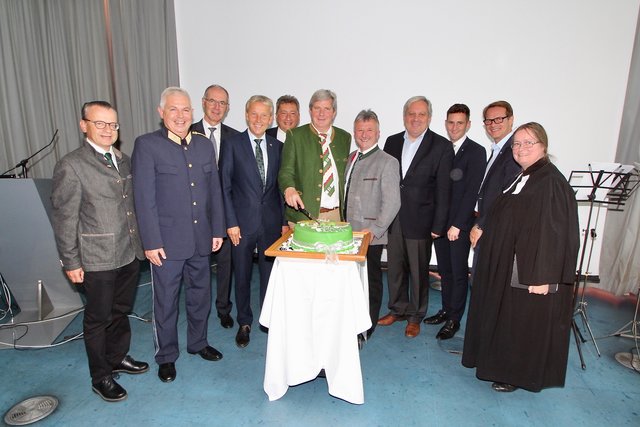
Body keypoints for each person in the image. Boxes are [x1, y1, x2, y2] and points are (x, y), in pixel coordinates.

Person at [462, 122, 579, 393]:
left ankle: (515, 375)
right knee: (506, 320)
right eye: (517, 143)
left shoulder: (550, 182)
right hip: (508, 265)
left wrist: (544, 278)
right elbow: (507, 213)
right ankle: (497, 364)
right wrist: (483, 227)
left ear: (544, 146)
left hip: (527, 272)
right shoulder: (524, 176)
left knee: (520, 324)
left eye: (528, 142)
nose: (520, 148)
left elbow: (556, 234)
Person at [51, 101, 148, 402]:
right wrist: (71, 260)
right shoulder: (72, 165)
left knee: (120, 311)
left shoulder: (125, 160)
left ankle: (118, 357)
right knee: (98, 318)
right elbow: (65, 217)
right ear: (84, 125)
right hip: (96, 257)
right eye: (100, 123)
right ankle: (100, 376)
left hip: (129, 252)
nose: (108, 130)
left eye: (113, 124)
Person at [132, 87, 225, 383]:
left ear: (193, 113)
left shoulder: (202, 145)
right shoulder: (147, 146)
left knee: (200, 295)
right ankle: (166, 356)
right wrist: (151, 241)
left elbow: (214, 192)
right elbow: (143, 199)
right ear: (161, 113)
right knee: (166, 302)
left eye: (185, 110)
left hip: (200, 238)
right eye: (173, 109)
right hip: (166, 244)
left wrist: (217, 229)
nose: (180, 115)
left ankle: (198, 343)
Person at [377, 96, 453, 338]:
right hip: (393, 217)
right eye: (411, 114)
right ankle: (397, 309)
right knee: (395, 267)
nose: (416, 118)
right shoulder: (391, 142)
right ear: (404, 116)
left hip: (422, 220)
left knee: (419, 271)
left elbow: (444, 188)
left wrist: (438, 224)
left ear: (429, 118)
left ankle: (415, 316)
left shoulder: (441, 146)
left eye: (421, 114)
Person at [219, 95, 287, 348]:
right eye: (254, 114)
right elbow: (224, 186)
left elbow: (279, 189)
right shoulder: (232, 144)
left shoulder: (276, 147)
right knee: (243, 274)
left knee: (270, 274)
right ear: (247, 115)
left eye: (264, 115)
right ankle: (244, 322)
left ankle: (268, 319)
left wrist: (282, 222)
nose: (259, 120)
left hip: (270, 223)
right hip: (241, 225)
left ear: (271, 119)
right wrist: (230, 222)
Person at [425, 104, 486, 340]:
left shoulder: (476, 151)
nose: (454, 127)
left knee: (459, 272)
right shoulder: (441, 148)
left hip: (458, 225)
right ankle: (445, 310)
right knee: (445, 271)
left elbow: (471, 191)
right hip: (439, 223)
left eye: (460, 123)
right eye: (451, 122)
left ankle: (454, 319)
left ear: (468, 125)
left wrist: (458, 225)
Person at [343, 109, 400, 343]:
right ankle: (351, 319)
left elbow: (393, 202)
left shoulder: (387, 162)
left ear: (378, 133)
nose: (364, 134)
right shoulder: (350, 158)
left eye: (369, 130)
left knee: (371, 282)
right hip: (347, 233)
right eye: (360, 130)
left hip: (370, 236)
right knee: (352, 281)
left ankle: (366, 326)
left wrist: (375, 230)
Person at [191, 84, 239, 330]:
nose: (217, 107)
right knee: (196, 264)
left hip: (224, 212)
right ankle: (197, 311)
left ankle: (223, 308)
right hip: (195, 212)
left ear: (228, 108)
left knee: (225, 263)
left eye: (223, 103)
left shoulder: (235, 137)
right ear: (203, 102)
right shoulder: (186, 133)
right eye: (213, 101)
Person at [278, 89, 351, 224]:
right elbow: (285, 172)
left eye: (327, 109)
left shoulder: (344, 138)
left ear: (334, 112)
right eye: (317, 108)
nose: (321, 113)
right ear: (310, 110)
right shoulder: (295, 136)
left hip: (336, 215)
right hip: (304, 216)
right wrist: (289, 188)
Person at [469, 101, 521, 255]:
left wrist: (481, 226)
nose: (493, 124)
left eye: (499, 119)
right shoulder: (496, 150)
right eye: (489, 121)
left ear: (511, 120)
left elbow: (506, 196)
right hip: (485, 225)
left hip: (495, 229)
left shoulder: (514, 151)